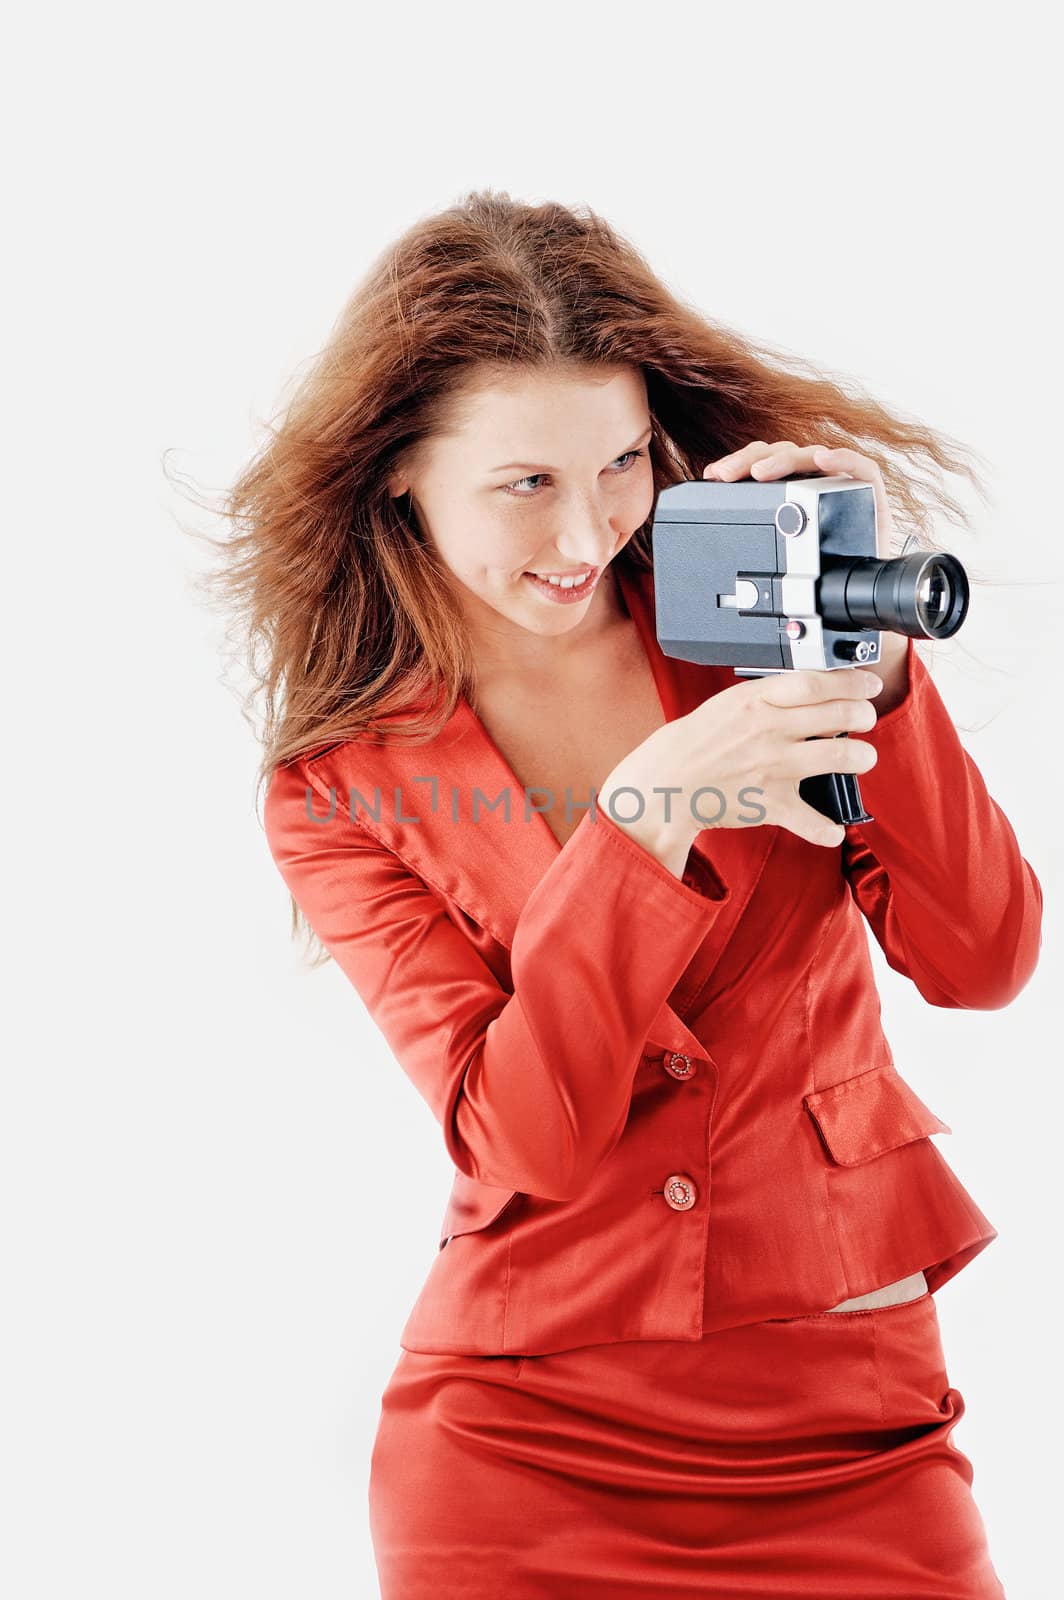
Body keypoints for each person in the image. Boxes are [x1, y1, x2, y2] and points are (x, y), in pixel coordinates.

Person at [224, 191, 1042, 1597]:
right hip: (524, 1442)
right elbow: (524, 1140)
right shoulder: (342, 788)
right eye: (524, 483)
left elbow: (983, 959)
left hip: (850, 1421)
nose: (591, 529)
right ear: (399, 477)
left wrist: (880, 667)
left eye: (621, 462)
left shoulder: (751, 634)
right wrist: (648, 819)